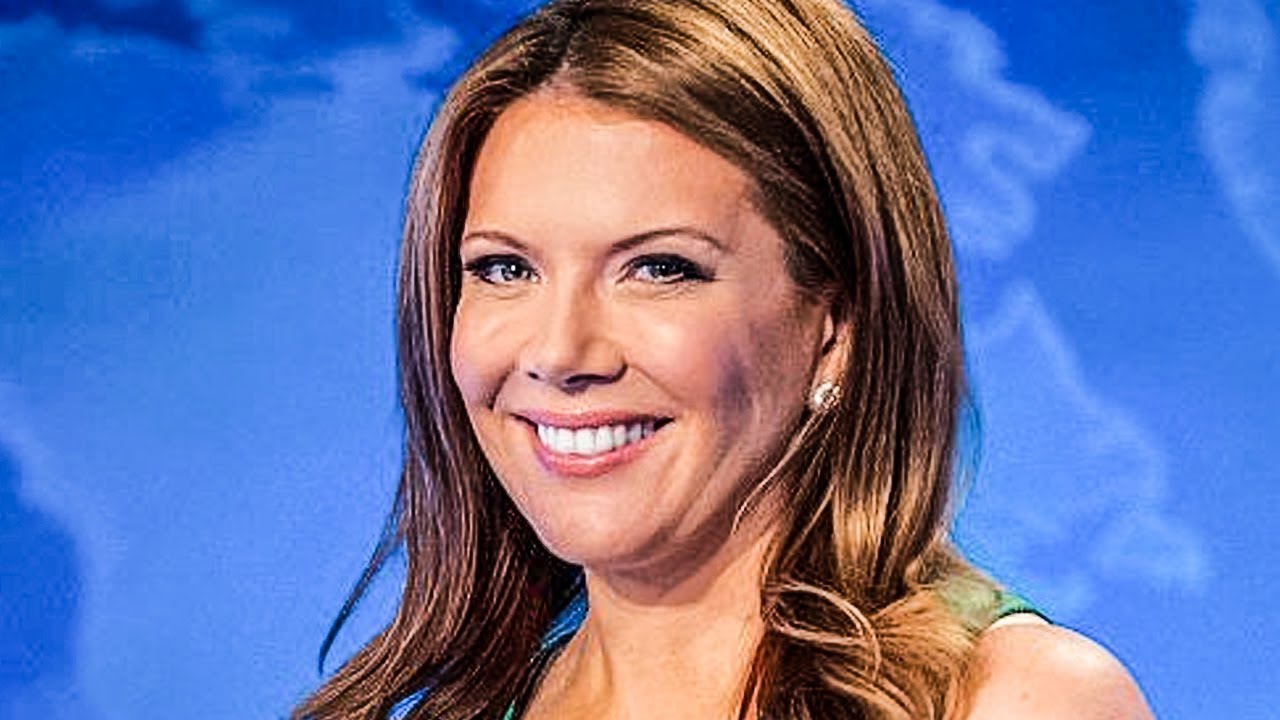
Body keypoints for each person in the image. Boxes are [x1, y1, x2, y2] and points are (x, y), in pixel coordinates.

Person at [294, 0, 1154, 717]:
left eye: (660, 269)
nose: (558, 352)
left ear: (838, 324)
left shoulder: (1017, 701)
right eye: (505, 269)